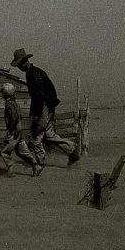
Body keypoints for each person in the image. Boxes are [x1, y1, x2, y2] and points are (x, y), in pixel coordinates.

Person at [10, 48, 79, 176]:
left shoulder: (34, 74)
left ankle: (40, 164)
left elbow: (39, 97)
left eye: (19, 64)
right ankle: (71, 151)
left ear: (24, 62)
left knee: (36, 136)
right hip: (47, 105)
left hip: (43, 107)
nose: (19, 67)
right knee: (49, 135)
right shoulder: (33, 72)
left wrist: (36, 116)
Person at [0, 82, 37, 177]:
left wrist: (11, 130)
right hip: (20, 129)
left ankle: (10, 170)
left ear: (4, 94)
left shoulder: (8, 104)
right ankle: (35, 165)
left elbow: (14, 118)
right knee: (21, 151)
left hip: (14, 130)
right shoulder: (15, 103)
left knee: (4, 151)